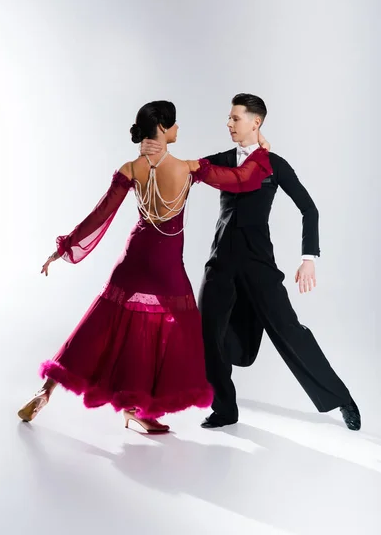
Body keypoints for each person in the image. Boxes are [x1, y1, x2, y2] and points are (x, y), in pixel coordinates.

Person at [17, 100, 272, 433]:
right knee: (166, 335)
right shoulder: (186, 168)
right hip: (166, 266)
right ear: (163, 128)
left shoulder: (131, 169)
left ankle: (46, 391)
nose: (179, 129)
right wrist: (262, 150)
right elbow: (241, 178)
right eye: (175, 124)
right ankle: (138, 409)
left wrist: (65, 249)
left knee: (100, 326)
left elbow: (100, 215)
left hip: (134, 259)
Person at [141, 93, 361, 431]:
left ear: (255, 123)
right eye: (229, 118)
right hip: (221, 261)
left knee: (290, 331)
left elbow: (309, 209)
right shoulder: (223, 159)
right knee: (206, 332)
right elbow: (185, 171)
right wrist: (157, 156)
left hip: (259, 263)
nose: (228, 123)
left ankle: (341, 398)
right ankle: (225, 409)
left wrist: (309, 259)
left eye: (235, 118)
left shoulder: (274, 164)